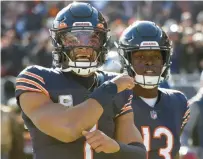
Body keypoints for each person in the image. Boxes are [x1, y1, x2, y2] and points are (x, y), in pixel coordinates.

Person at [15, 2, 146, 159]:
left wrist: (117, 148)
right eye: (73, 39)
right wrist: (109, 89)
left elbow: (139, 154)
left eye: (92, 39)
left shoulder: (117, 86)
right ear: (58, 41)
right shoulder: (36, 78)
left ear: (103, 42)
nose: (83, 46)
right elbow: (68, 129)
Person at [118, 20, 190, 159]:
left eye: (156, 56)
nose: (149, 62)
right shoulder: (116, 101)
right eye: (140, 56)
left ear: (165, 59)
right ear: (126, 60)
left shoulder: (178, 102)